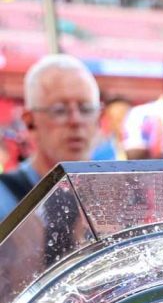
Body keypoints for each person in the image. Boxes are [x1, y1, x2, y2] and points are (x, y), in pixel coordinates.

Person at [0, 54, 101, 221]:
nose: (75, 121)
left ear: (99, 117)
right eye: (59, 110)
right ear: (30, 122)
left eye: (86, 109)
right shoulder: (5, 198)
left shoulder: (113, 197)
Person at [91, 96, 132, 160]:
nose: (121, 124)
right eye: (116, 119)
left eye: (124, 117)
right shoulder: (98, 151)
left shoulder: (143, 146)